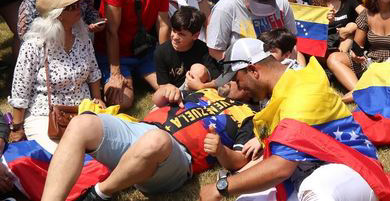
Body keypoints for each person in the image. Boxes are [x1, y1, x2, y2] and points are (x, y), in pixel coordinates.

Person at [197, 41, 390, 201]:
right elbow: (263, 161)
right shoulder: (279, 95)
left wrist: (221, 188)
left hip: (353, 169)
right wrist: (230, 172)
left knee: (315, 190)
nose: (238, 88)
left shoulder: (301, 93)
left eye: (238, 80)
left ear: (253, 70)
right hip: (304, 175)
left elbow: (281, 167)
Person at [41, 66, 255, 201]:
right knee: (81, 123)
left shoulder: (246, 116)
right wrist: (165, 91)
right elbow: (157, 101)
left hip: (179, 157)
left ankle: (97, 194)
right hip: (143, 130)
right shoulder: (205, 91)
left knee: (157, 140)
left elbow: (239, 161)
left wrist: (220, 151)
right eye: (230, 76)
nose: (228, 81)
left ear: (248, 91)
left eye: (236, 80)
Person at [9, 0, 103, 153]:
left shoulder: (83, 40)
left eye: (78, 5)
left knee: (104, 154)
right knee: (64, 157)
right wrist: (17, 127)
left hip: (83, 112)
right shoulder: (34, 46)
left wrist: (98, 99)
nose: (78, 9)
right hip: (46, 116)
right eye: (71, 7)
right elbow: (20, 90)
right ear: (56, 15)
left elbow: (94, 73)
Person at [96, 0, 170, 110]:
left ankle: (139, 75)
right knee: (121, 101)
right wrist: (115, 72)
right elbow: (111, 31)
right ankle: (120, 76)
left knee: (171, 89)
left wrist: (166, 62)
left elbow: (164, 24)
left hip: (144, 51)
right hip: (115, 54)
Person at [205, 0, 296, 60]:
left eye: (266, 4)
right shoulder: (226, 7)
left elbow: (291, 44)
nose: (262, 11)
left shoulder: (282, 3)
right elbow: (215, 51)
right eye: (257, 5)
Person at [307, 0, 363, 65]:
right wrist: (326, 22)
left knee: (350, 34)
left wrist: (352, 27)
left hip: (344, 44)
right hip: (324, 47)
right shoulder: (315, 1)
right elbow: (311, 32)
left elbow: (367, 15)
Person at [154, 6, 219, 89]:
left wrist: (202, 86)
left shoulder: (203, 50)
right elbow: (163, 85)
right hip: (174, 93)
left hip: (200, 91)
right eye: (173, 30)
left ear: (195, 36)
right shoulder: (161, 52)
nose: (175, 37)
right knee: (158, 98)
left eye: (181, 34)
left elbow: (217, 79)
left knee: (198, 69)